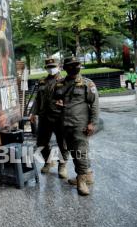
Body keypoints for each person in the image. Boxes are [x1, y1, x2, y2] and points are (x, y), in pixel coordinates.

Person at [54, 57, 99, 196]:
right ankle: (88, 175)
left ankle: (82, 181)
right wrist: (58, 103)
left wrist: (92, 123)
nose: (75, 67)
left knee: (81, 152)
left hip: (80, 125)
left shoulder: (87, 83)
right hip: (64, 124)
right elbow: (56, 99)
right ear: (65, 68)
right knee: (74, 152)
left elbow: (95, 104)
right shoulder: (59, 84)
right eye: (71, 65)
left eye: (77, 64)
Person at [30, 58, 69, 179]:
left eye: (53, 66)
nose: (51, 68)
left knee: (62, 142)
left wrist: (66, 105)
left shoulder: (64, 81)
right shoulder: (42, 81)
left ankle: (62, 165)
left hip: (59, 116)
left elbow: (71, 99)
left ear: (58, 66)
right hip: (44, 116)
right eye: (49, 66)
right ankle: (48, 161)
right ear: (46, 67)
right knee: (41, 142)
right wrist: (33, 113)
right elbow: (38, 99)